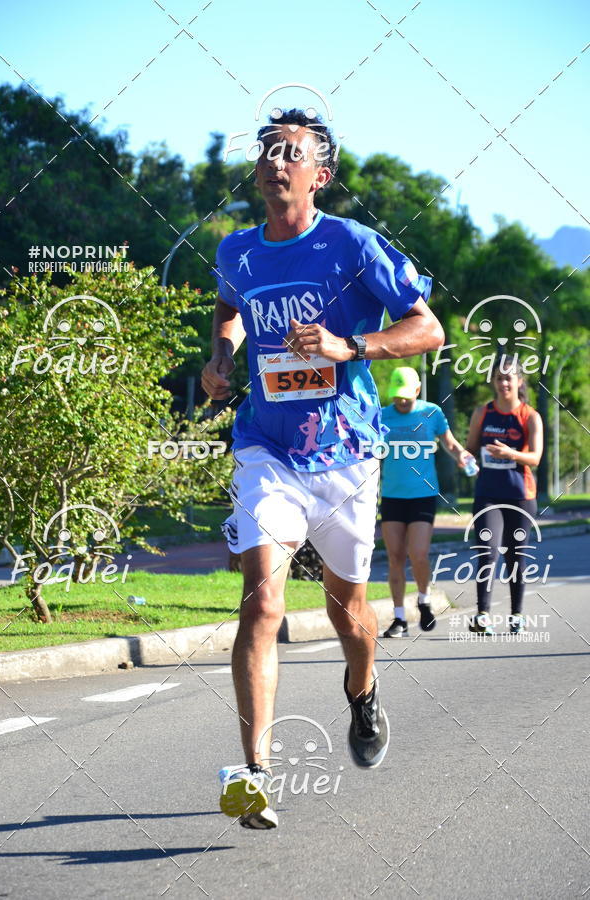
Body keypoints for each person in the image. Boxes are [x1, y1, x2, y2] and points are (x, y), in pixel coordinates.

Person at [201, 108, 444, 829]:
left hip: (345, 452)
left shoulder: (352, 244)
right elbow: (229, 308)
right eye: (268, 153)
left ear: (320, 175)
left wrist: (351, 347)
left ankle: (362, 693)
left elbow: (427, 329)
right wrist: (220, 357)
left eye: (292, 154)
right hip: (265, 446)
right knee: (263, 603)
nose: (276, 163)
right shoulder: (236, 252)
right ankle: (254, 775)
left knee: (349, 614)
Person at [379, 367, 474, 637]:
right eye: (397, 397)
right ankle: (399, 619)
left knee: (418, 554)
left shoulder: (431, 412)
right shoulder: (384, 415)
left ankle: (424, 598)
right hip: (392, 496)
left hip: (422, 495)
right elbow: (371, 450)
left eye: (406, 397)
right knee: (395, 557)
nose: (401, 402)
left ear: (417, 391)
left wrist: (463, 457)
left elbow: (450, 443)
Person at [465, 355, 543, 635]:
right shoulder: (482, 413)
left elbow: (535, 457)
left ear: (519, 381)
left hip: (521, 495)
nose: (504, 383)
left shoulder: (530, 416)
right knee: (486, 552)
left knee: (516, 557)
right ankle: (483, 614)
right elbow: (470, 449)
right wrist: (465, 459)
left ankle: (517, 615)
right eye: (499, 378)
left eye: (509, 377)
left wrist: (509, 453)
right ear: (494, 382)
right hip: (487, 494)